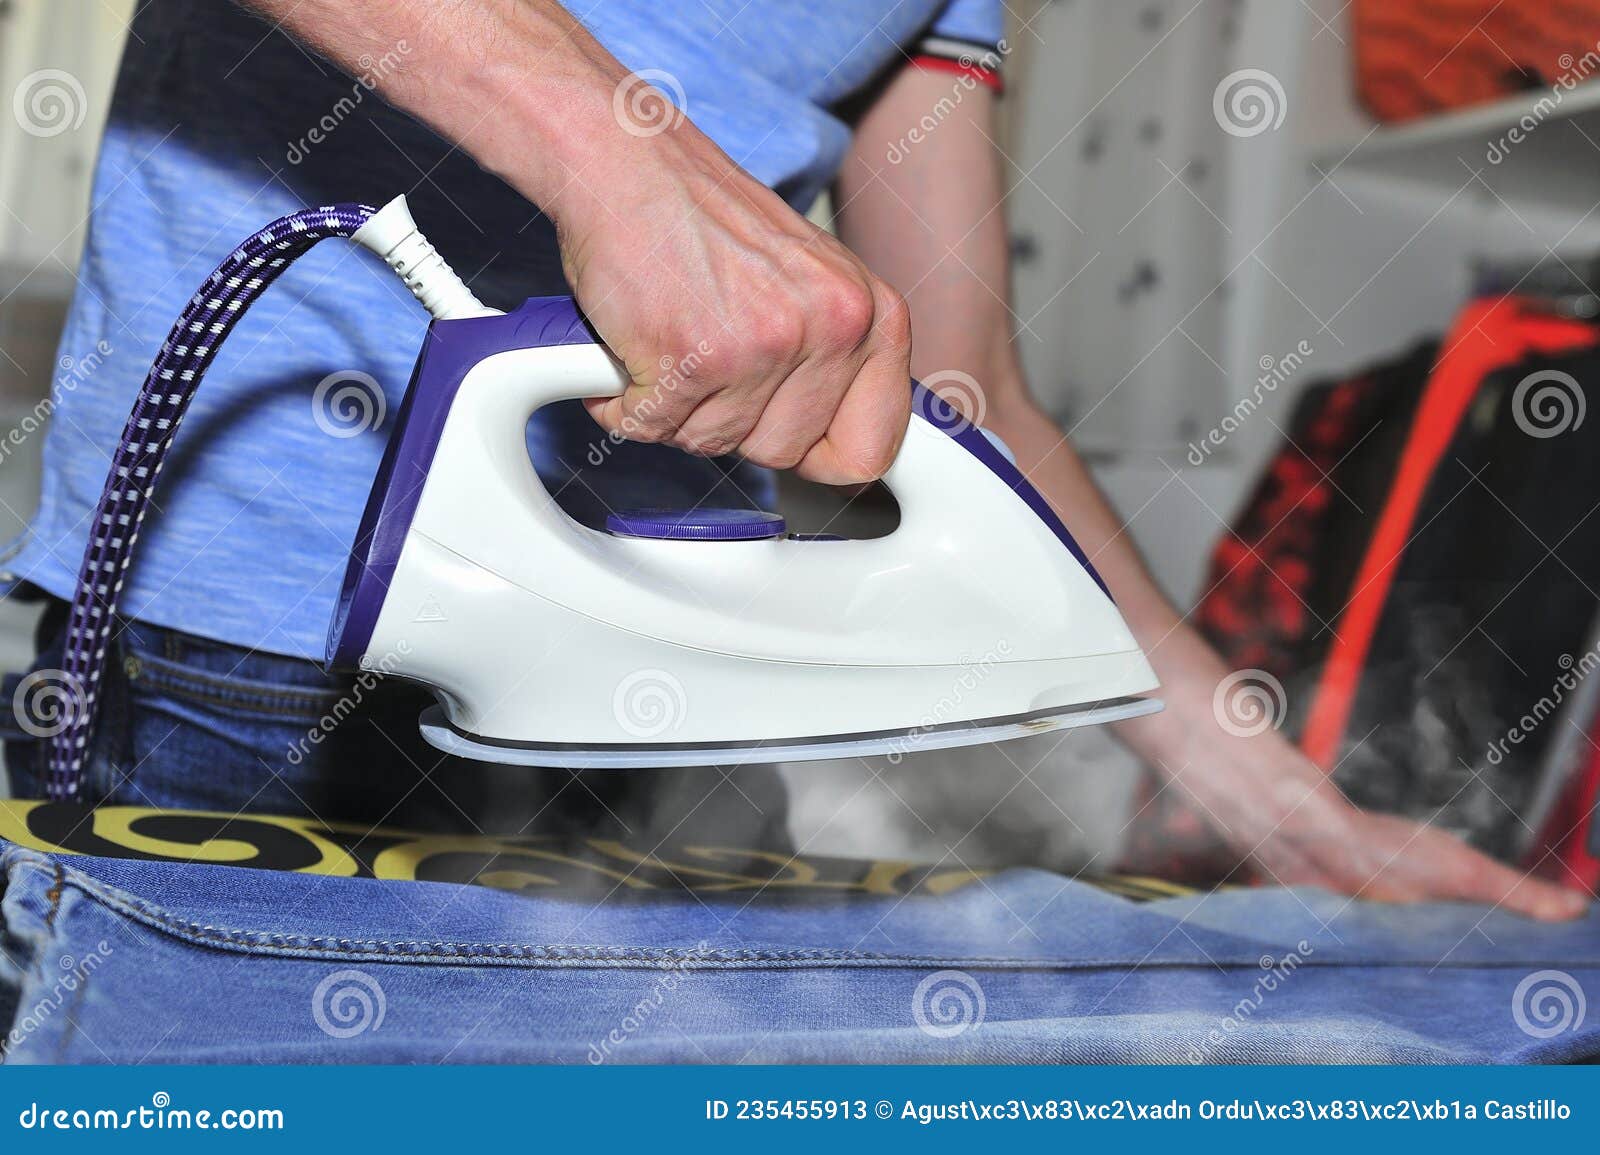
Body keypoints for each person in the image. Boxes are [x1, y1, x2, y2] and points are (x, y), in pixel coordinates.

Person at [0, 0, 1583, 918]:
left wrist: (1283, 803)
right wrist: (623, 152)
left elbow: (956, 399)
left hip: (676, 674)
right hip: (244, 625)